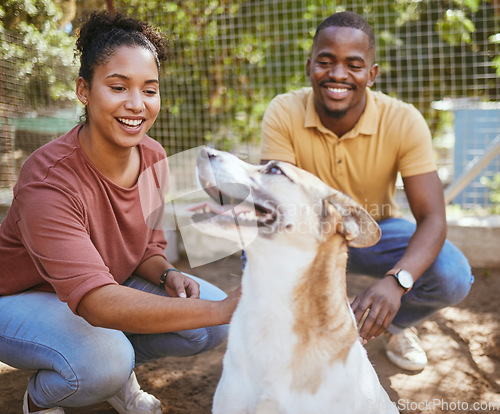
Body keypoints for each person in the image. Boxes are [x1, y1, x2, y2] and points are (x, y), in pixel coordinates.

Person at [0, 11, 240, 414]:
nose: (136, 104)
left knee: (210, 323)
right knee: (104, 361)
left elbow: (145, 247)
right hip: (20, 299)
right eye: (118, 86)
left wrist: (168, 273)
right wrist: (219, 307)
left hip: (95, 294)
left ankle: (114, 369)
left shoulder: (153, 156)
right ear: (84, 89)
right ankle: (43, 399)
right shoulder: (48, 178)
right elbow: (95, 303)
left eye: (150, 89)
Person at [260, 11, 473, 372]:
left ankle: (392, 324)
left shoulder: (403, 120)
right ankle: (296, 338)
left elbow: (433, 217)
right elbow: (279, 205)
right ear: (310, 65)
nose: (338, 74)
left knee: (453, 274)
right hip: (308, 230)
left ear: (371, 74)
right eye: (326, 62)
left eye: (354, 65)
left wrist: (396, 282)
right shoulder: (284, 111)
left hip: (377, 229)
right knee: (259, 254)